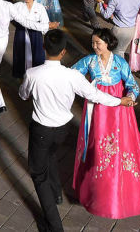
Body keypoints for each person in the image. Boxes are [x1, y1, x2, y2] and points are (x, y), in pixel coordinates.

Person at [18, 30, 123, 232]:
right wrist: (120, 101)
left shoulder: (33, 73)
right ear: (63, 52)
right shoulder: (72, 75)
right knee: (50, 155)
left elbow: (23, 95)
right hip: (63, 129)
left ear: (43, 48)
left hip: (41, 128)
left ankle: (54, 224)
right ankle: (56, 192)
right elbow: (95, 95)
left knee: (38, 175)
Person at [71, 29, 140, 219]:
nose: (95, 46)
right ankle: (96, 189)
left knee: (122, 145)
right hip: (97, 110)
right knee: (97, 144)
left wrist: (130, 97)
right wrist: (85, 89)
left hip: (118, 111)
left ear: (108, 43)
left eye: (98, 43)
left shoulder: (119, 63)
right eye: (93, 43)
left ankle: (123, 188)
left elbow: (132, 84)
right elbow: (72, 75)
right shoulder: (89, 61)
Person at [11, 0, 59, 79]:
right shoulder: (18, 6)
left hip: (36, 36)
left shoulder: (40, 7)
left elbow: (45, 24)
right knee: (20, 56)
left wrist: (47, 27)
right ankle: (22, 79)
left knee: (36, 57)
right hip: (21, 34)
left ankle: (36, 79)